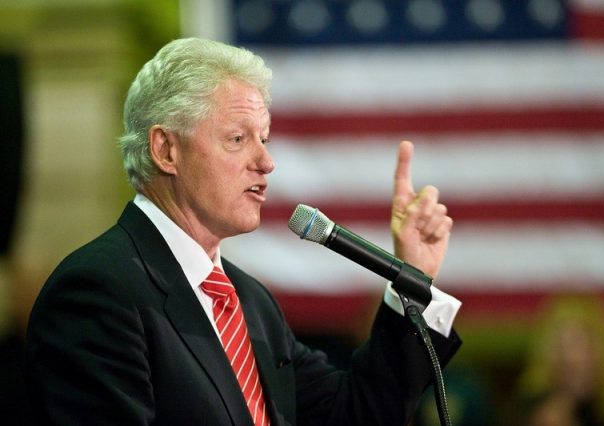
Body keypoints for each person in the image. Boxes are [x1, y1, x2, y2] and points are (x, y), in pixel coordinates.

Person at [24, 38, 462, 425]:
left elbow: (354, 414)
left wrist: (412, 278)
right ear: (166, 149)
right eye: (237, 139)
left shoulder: (249, 301)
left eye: (264, 139)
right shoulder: (99, 292)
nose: (266, 162)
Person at [516, 294, 604, 426]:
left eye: (580, 343)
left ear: (603, 350)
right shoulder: (533, 407)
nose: (570, 358)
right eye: (561, 346)